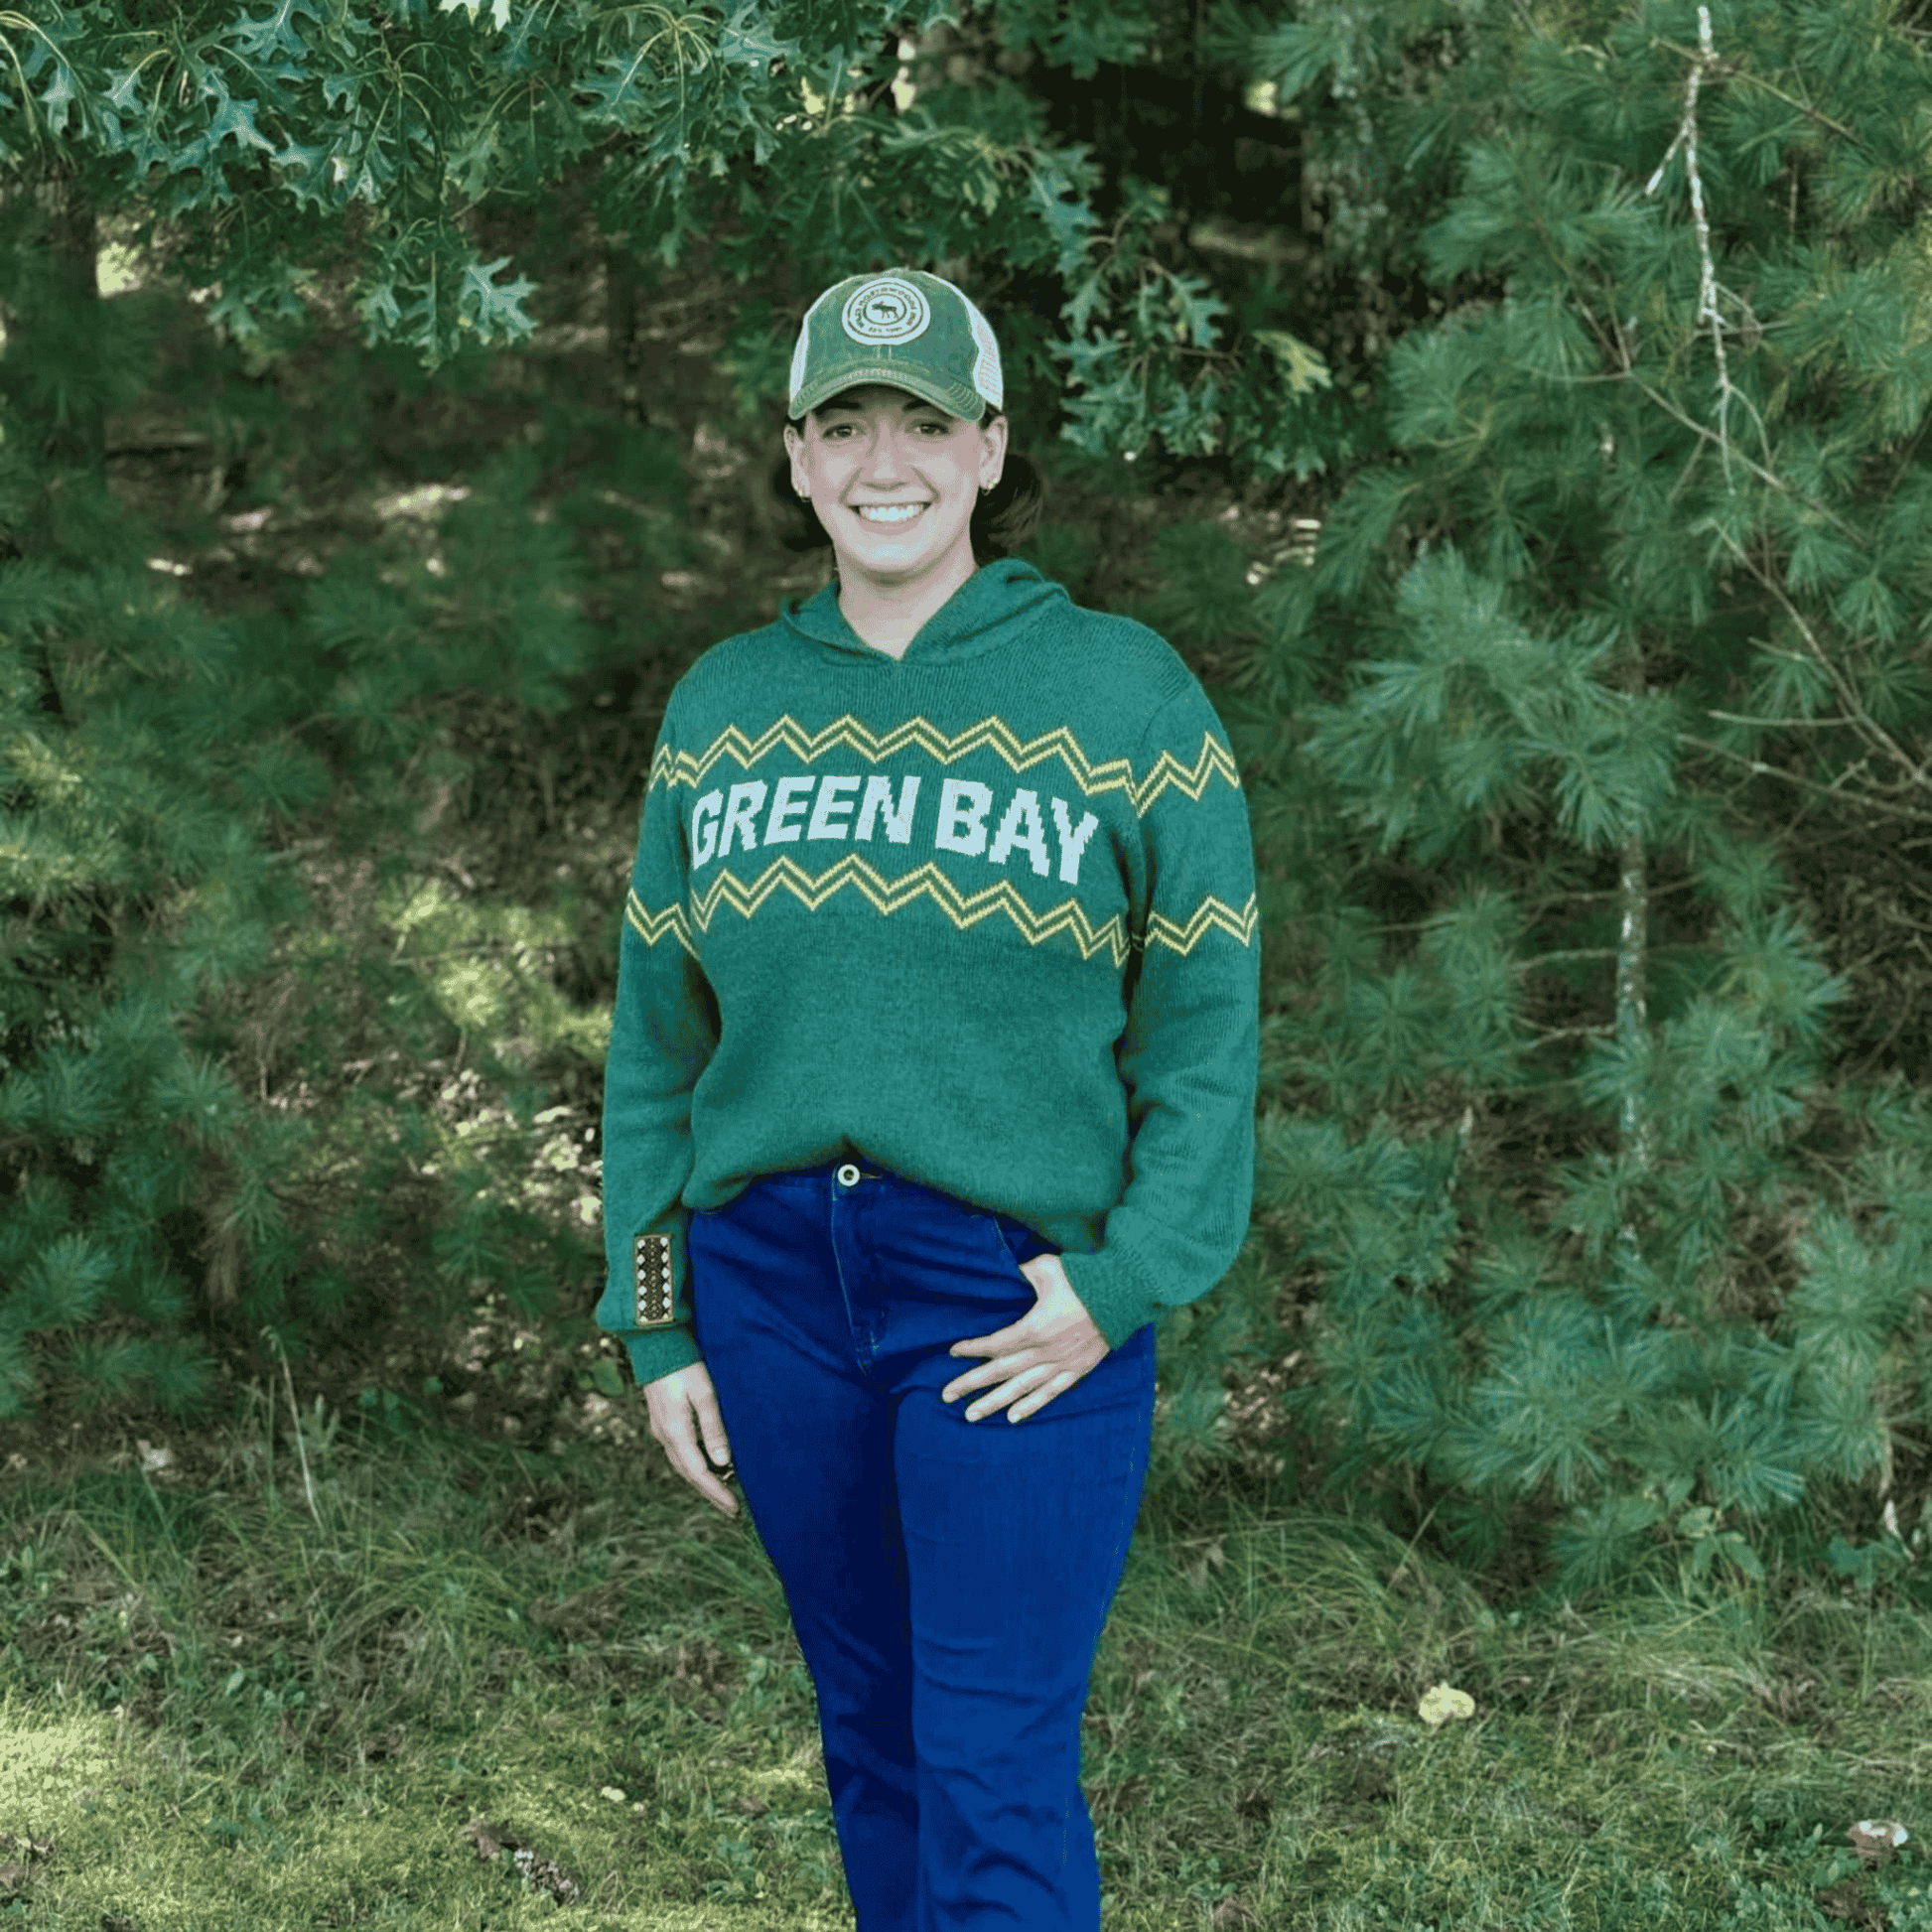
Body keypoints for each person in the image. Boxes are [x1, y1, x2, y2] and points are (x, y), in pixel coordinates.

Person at [597, 266, 1261, 1930]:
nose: (882, 461)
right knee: (874, 1735)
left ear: (988, 449)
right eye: (844, 426)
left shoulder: (1124, 697)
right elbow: (653, 1050)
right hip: (766, 1293)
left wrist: (1119, 1285)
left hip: (1008, 1304)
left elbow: (1201, 1037)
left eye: (923, 422)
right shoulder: (723, 710)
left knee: (992, 1754)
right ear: (799, 460)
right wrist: (659, 1318)